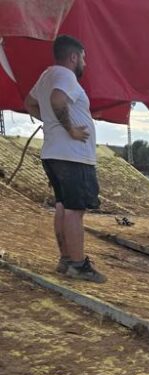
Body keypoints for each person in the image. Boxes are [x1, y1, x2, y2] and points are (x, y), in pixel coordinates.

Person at [23, 34, 106, 283]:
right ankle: (78, 265)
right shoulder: (66, 76)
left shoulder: (47, 75)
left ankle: (66, 259)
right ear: (73, 56)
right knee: (75, 211)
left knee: (62, 206)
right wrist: (69, 129)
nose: (85, 63)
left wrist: (52, 123)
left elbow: (29, 103)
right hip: (72, 156)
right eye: (83, 57)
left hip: (54, 153)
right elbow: (57, 100)